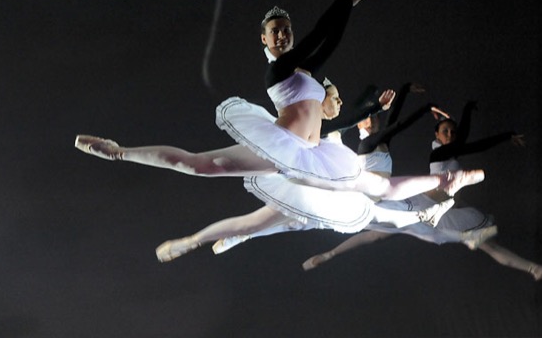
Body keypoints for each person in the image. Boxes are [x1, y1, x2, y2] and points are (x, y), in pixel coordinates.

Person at [75, 0, 483, 201]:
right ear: (265, 40)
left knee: (378, 187)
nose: (284, 35)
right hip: (282, 147)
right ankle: (118, 151)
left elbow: (330, 44)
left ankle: (446, 182)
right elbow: (319, 33)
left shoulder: (305, 73)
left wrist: (348, 9)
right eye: (276, 31)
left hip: (313, 154)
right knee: (198, 165)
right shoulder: (279, 71)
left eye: (287, 29)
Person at [157, 79, 460, 262]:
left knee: (296, 222)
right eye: (335, 99)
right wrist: (380, 106)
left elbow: (373, 117)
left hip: (348, 197)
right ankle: (227, 237)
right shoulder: (355, 139)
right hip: (342, 194)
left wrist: (388, 96)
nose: (370, 121)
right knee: (290, 220)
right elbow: (375, 119)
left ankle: (229, 237)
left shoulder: (359, 136)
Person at [301, 100, 542, 281]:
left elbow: (395, 123)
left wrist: (406, 92)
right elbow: (468, 143)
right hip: (428, 206)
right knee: (378, 229)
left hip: (441, 209)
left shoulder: (426, 147)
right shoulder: (438, 153)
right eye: (445, 131)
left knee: (381, 233)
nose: (450, 134)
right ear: (437, 137)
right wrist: (475, 116)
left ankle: (534, 269)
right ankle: (326, 240)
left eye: (452, 131)